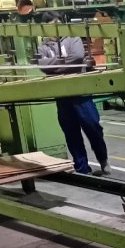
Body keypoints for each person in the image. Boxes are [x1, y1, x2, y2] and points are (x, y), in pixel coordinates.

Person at [38, 10, 111, 175]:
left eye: (58, 24)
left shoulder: (73, 38)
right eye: (51, 26)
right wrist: (66, 65)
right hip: (62, 96)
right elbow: (42, 65)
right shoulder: (43, 47)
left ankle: (103, 159)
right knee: (71, 132)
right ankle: (82, 168)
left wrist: (55, 67)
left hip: (81, 93)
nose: (56, 29)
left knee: (93, 127)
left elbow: (77, 57)